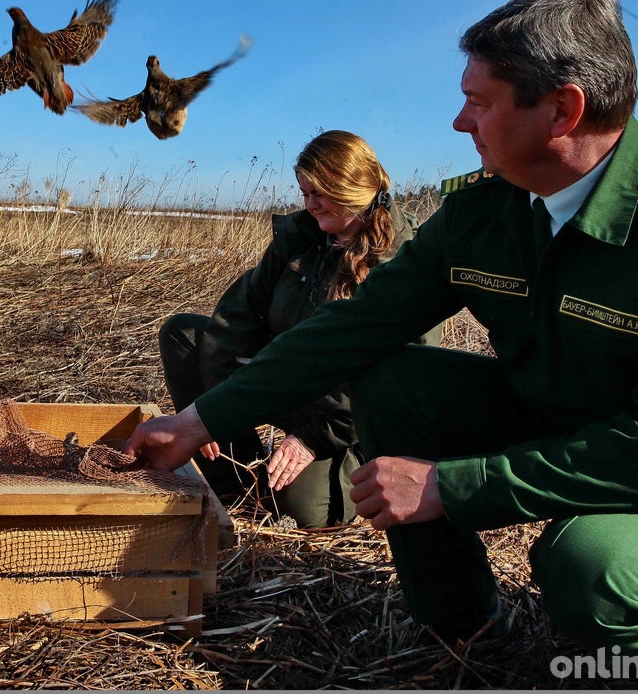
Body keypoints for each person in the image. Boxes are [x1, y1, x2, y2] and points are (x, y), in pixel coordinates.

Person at [124, 0, 638, 662]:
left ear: (562, 111)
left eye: (478, 102)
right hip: (559, 411)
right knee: (393, 379)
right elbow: (356, 328)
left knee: (595, 571)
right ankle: (467, 627)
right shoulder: (487, 209)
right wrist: (198, 420)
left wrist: (451, 485)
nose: (459, 122)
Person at [159, 130, 442, 527]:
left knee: (305, 509)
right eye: (303, 192)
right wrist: (210, 416)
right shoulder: (300, 237)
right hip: (290, 382)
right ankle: (232, 481)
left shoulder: (406, 256)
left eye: (318, 194)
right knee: (185, 334)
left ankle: (333, 472)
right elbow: (237, 318)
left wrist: (312, 438)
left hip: (348, 417)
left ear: (349, 188)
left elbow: (401, 375)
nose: (308, 205)